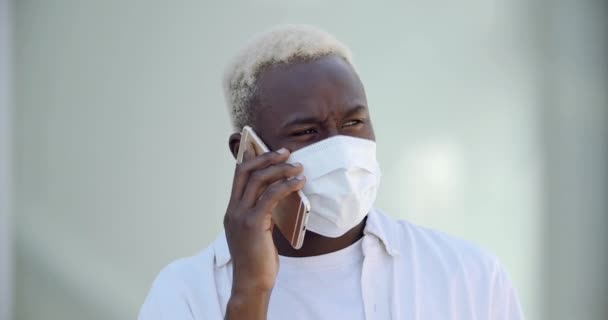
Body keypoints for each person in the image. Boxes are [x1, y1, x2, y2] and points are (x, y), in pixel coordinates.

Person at [138, 24, 525, 320]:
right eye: (307, 131)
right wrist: (249, 293)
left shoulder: (467, 274)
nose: (341, 148)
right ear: (247, 152)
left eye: (355, 123)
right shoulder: (187, 292)